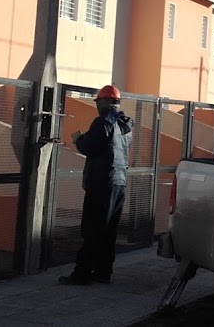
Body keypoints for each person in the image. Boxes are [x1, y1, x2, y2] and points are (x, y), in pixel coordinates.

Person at [59, 84, 133, 285]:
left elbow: (90, 147)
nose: (97, 105)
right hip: (119, 182)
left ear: (104, 102)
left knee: (92, 229)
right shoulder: (125, 125)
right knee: (109, 231)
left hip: (102, 183)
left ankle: (82, 274)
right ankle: (103, 272)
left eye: (98, 101)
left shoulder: (103, 123)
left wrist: (78, 139)